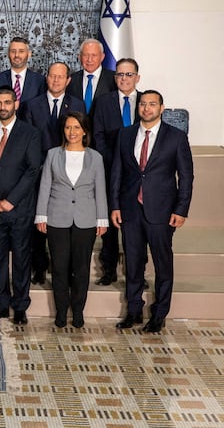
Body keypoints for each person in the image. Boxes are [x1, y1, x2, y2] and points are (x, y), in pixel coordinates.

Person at [111, 90, 194, 333]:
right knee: (133, 263)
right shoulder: (125, 135)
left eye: (152, 104)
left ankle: (159, 314)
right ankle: (134, 311)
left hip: (162, 211)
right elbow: (117, 172)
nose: (147, 108)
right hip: (130, 210)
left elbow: (186, 177)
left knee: (162, 264)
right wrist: (115, 205)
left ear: (161, 107)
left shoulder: (176, 137)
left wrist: (181, 209)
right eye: (143, 104)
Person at [35, 111, 108, 328]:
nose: (72, 132)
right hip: (57, 218)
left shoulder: (95, 157)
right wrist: (41, 215)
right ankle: (60, 311)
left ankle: (78, 311)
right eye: (68, 127)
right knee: (59, 268)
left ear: (84, 130)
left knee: (81, 268)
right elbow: (45, 186)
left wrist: (102, 219)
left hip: (86, 220)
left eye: (77, 127)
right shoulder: (53, 154)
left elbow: (100, 190)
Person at [0, 87, 41, 325]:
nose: (3, 106)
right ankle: (2, 304)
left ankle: (20, 306)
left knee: (22, 258)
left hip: (19, 208)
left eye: (7, 102)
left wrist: (10, 201)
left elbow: (32, 169)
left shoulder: (30, 133)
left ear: (16, 104)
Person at [20, 62, 85, 284]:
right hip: (38, 172)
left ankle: (65, 269)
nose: (55, 80)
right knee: (39, 222)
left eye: (60, 77)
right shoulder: (31, 105)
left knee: (64, 223)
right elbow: (27, 140)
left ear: (68, 80)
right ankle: (39, 266)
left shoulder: (77, 104)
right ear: (46, 78)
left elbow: (79, 138)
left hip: (68, 175)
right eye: (52, 76)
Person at [93, 58, 142, 286]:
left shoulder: (146, 101)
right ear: (115, 78)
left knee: (137, 228)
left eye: (129, 74)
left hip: (139, 175)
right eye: (120, 75)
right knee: (111, 227)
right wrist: (114, 163)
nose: (124, 78)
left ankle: (137, 274)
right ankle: (109, 270)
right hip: (110, 170)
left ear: (137, 78)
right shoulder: (103, 102)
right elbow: (98, 136)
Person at [67, 38, 116, 118]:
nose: (89, 60)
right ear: (79, 57)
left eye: (94, 55)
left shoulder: (114, 79)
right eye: (86, 55)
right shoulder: (71, 80)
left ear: (102, 57)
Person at [0, 37, 45, 103]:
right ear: (8, 54)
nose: (16, 55)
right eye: (13, 51)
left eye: (21, 51)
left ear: (29, 54)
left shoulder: (40, 81)